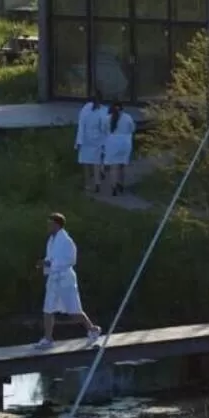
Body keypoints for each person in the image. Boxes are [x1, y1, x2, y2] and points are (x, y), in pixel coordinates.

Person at [37, 212, 102, 348]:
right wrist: (45, 263)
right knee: (48, 308)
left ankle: (92, 329)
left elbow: (71, 260)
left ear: (57, 225)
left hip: (66, 279)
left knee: (74, 310)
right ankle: (48, 339)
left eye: (50, 223)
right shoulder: (51, 240)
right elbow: (51, 258)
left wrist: (50, 264)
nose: (48, 226)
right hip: (53, 279)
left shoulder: (67, 241)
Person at [103, 102, 136, 197]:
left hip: (112, 143)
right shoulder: (127, 117)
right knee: (122, 165)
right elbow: (132, 128)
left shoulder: (107, 118)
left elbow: (104, 130)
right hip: (125, 143)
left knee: (113, 166)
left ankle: (113, 186)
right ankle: (121, 184)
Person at [75, 94, 106, 193]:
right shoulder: (103, 110)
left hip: (86, 139)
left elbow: (81, 125)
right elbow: (104, 128)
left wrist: (79, 141)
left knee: (86, 162)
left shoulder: (85, 110)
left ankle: (88, 185)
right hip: (97, 140)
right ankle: (97, 183)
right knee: (96, 161)